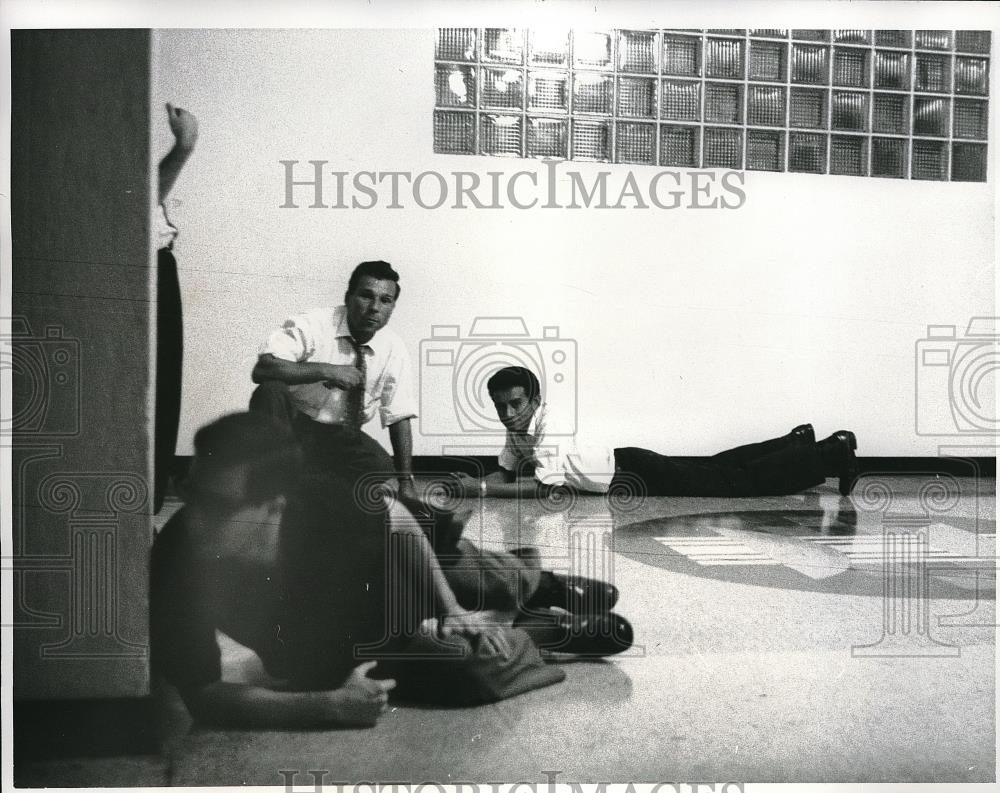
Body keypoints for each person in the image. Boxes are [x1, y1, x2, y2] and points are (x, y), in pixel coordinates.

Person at [150, 412, 632, 728]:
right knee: (463, 670)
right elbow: (204, 695)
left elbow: (399, 519)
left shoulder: (315, 501)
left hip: (397, 557)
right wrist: (323, 707)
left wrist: (453, 608)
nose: (193, 515)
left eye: (217, 505)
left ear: (275, 507)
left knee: (469, 574)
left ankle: (538, 582)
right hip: (353, 638)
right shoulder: (175, 566)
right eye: (192, 492)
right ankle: (546, 635)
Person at [448, 366, 860, 501]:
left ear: (535, 401)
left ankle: (830, 454)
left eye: (515, 404)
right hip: (627, 464)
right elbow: (506, 471)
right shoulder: (519, 428)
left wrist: (477, 491)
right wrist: (474, 483)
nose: (506, 414)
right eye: (500, 406)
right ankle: (796, 443)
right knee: (720, 466)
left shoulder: (547, 426)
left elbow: (543, 489)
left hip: (632, 472)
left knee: (732, 483)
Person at [251, 261, 417, 498]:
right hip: (291, 425)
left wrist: (407, 484)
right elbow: (263, 369)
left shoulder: (393, 348)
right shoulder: (315, 323)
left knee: (379, 467)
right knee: (270, 391)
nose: (374, 308)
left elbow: (399, 416)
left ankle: (307, 481)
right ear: (348, 297)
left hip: (338, 436)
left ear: (392, 307)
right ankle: (270, 485)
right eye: (366, 296)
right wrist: (327, 370)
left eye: (385, 300)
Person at [154, 102, 198, 515]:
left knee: (165, 390)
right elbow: (138, 198)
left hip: (158, 263)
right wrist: (184, 147)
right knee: (154, 389)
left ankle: (146, 509)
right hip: (144, 266)